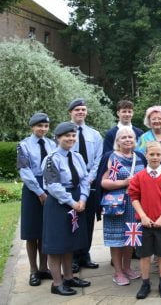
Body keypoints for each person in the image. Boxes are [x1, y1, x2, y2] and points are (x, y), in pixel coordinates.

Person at [41, 122, 91, 295]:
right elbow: (52, 186)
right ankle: (57, 283)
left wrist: (83, 199)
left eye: (73, 136)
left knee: (70, 243)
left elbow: (84, 179)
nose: (70, 139)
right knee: (56, 245)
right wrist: (72, 202)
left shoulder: (77, 157)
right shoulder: (51, 159)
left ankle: (69, 277)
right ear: (57, 138)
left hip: (77, 200)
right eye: (66, 136)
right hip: (59, 204)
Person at [128, 141, 161, 299]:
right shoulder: (139, 176)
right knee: (144, 254)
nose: (155, 157)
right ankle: (145, 283)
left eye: (158, 154)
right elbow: (134, 196)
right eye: (152, 154)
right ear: (146, 155)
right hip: (144, 223)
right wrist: (142, 215)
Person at [100, 128, 145, 286]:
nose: (127, 140)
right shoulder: (111, 157)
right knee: (117, 238)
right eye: (124, 137)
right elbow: (104, 182)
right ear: (118, 141)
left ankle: (127, 268)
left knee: (130, 237)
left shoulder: (139, 157)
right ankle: (118, 272)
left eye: (130, 137)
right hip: (116, 205)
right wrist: (124, 182)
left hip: (134, 204)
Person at [17, 113, 55, 286]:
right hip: (33, 190)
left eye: (46, 126)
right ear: (32, 127)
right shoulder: (24, 145)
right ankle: (33, 271)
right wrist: (39, 192)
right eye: (39, 126)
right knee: (32, 233)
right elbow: (25, 171)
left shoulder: (52, 144)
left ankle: (44, 268)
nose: (43, 129)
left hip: (50, 188)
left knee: (45, 231)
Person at [68, 98, 102, 272]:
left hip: (90, 181)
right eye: (77, 110)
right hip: (72, 182)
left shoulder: (94, 134)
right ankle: (73, 257)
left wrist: (90, 177)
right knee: (74, 219)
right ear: (70, 113)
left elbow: (98, 158)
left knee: (88, 220)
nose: (80, 112)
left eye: (83, 109)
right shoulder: (65, 132)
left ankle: (85, 254)